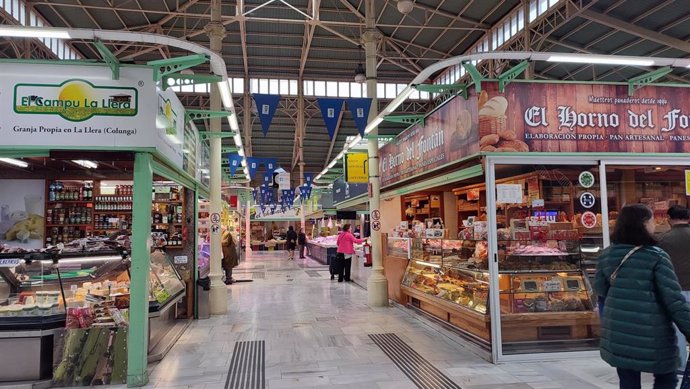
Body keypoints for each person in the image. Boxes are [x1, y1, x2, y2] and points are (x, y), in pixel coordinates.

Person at [594, 204, 690, 389]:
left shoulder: (606, 255)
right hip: (653, 335)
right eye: (652, 220)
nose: (654, 224)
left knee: (628, 381)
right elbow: (674, 301)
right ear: (644, 224)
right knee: (666, 378)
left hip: (619, 333)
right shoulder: (656, 256)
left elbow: (601, 290)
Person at [659, 204, 690, 370]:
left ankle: (680, 365)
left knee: (678, 330)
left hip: (674, 290)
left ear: (669, 219)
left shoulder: (664, 240)